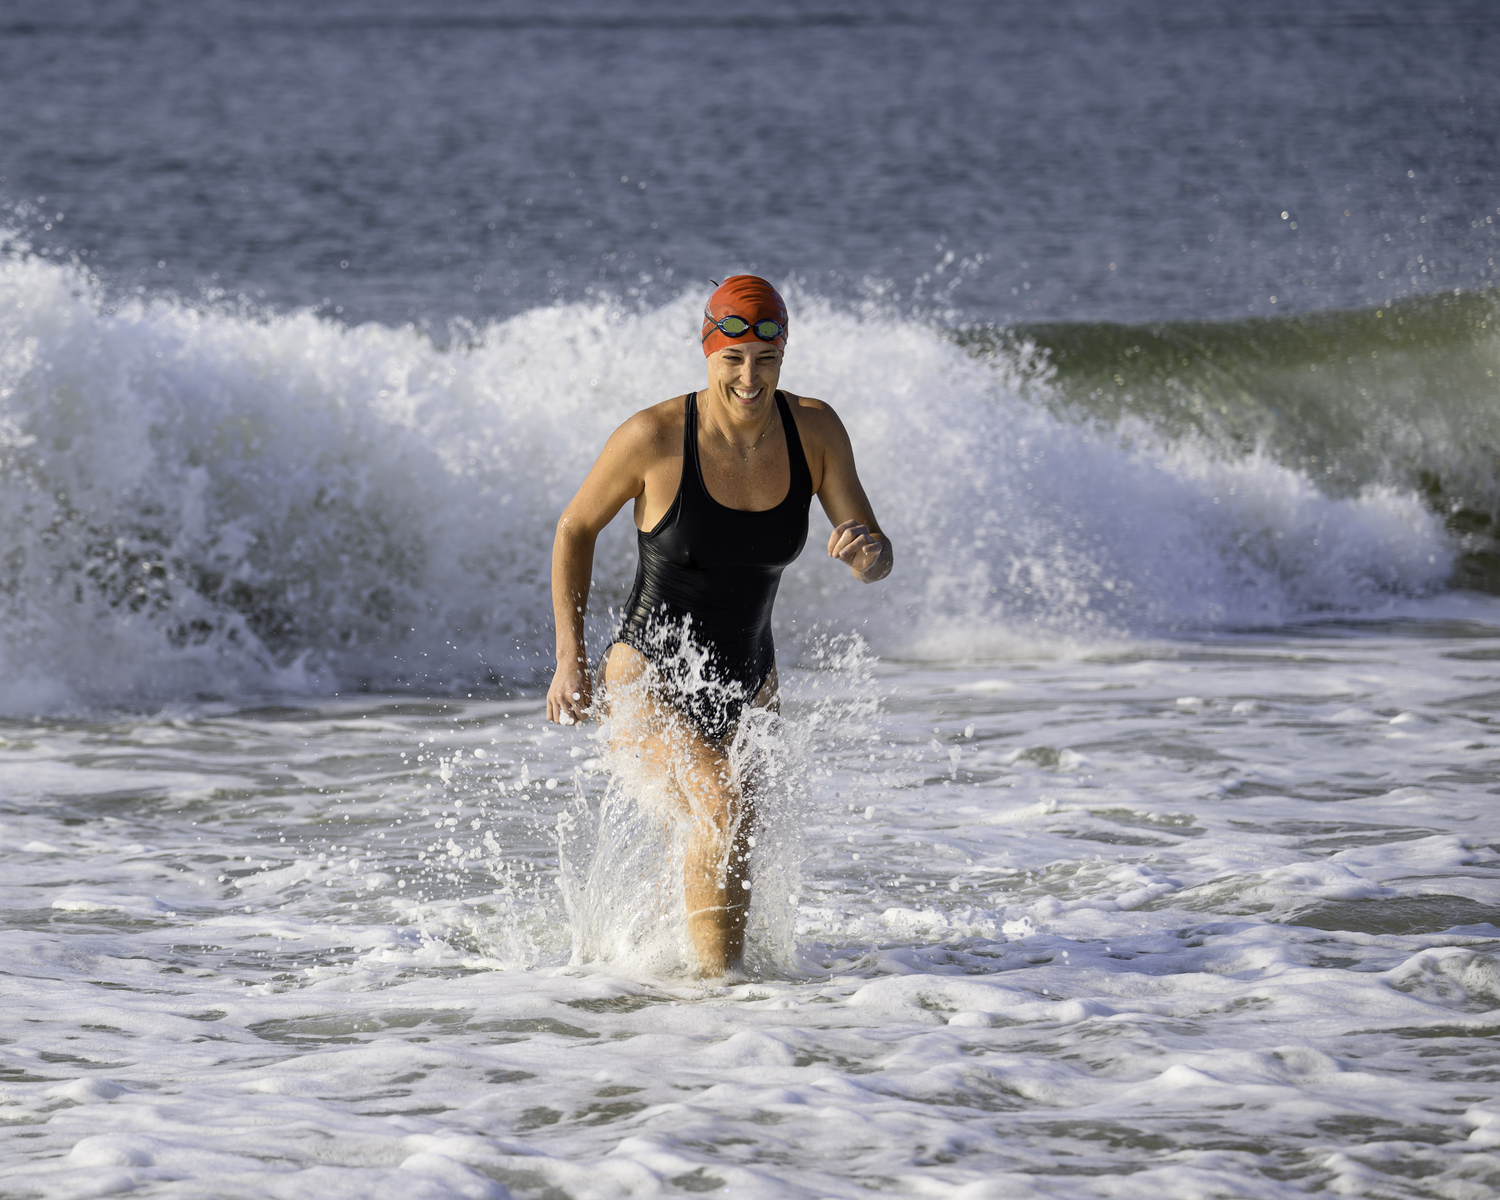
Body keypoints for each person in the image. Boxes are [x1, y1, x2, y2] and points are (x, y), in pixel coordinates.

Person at [546, 275, 892, 975]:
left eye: (765, 361)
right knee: (720, 805)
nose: (749, 377)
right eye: (732, 359)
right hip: (647, 673)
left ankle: (690, 991)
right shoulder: (654, 438)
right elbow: (574, 527)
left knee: (732, 829)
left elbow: (874, 551)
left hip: (748, 680)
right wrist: (568, 656)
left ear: (782, 354)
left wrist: (868, 553)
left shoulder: (815, 431)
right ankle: (719, 1006)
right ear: (708, 354)